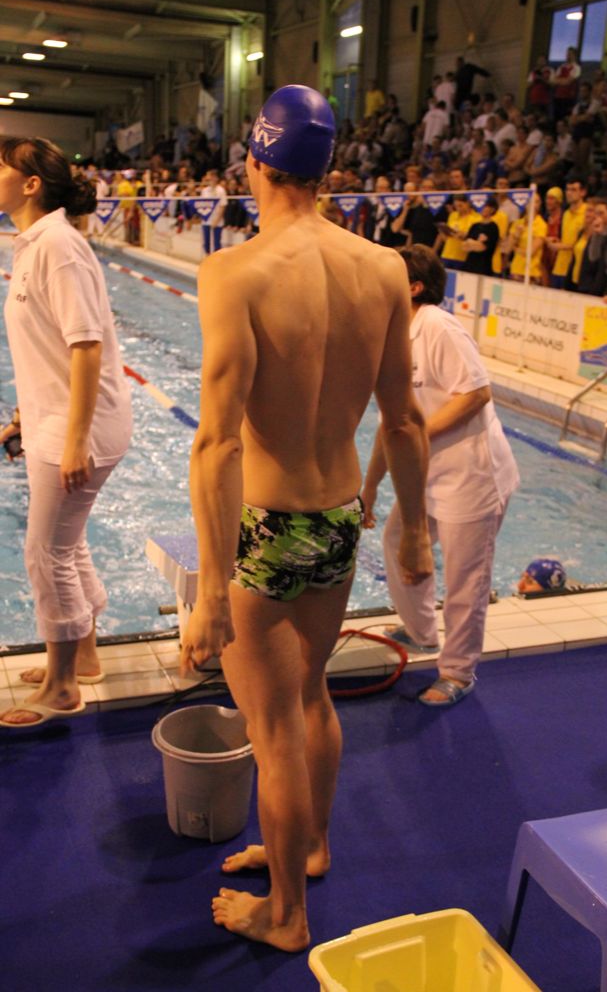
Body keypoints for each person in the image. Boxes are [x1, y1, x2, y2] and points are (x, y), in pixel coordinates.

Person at [179, 86, 432, 951]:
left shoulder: (234, 272)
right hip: (337, 519)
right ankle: (311, 848)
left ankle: (286, 913)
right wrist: (415, 529)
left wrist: (211, 592)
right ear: (326, 171)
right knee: (312, 694)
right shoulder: (385, 268)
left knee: (273, 727)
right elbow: (404, 419)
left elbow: (216, 444)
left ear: (256, 161)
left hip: (268, 528)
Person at [0, 137, 132, 726]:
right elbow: (47, 350)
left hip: (79, 428)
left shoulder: (58, 246)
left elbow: (86, 347)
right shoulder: (35, 244)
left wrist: (76, 441)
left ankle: (60, 688)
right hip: (54, 421)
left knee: (44, 552)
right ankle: (84, 658)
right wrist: (22, 419)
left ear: (31, 184)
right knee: (67, 543)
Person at [362, 245, 519, 708]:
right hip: (426, 478)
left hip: (472, 478)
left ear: (413, 287)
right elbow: (390, 425)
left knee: (465, 581)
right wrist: (369, 488)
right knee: (396, 541)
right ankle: (422, 632)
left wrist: (418, 434)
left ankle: (457, 672)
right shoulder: (392, 335)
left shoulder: (437, 326)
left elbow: (476, 393)